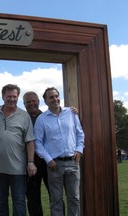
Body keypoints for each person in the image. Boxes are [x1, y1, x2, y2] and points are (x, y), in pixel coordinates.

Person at [34, 87, 85, 216]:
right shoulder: (41, 119)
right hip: (54, 165)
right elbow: (37, 143)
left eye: (56, 96)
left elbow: (80, 134)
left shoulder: (71, 113)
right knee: (56, 200)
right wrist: (48, 159)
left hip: (73, 162)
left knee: (74, 198)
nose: (55, 99)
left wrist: (79, 150)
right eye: (51, 97)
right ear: (45, 101)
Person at [0, 84, 37, 216]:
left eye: (14, 96)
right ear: (3, 97)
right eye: (9, 96)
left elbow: (30, 141)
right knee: (0, 202)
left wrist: (30, 162)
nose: (12, 99)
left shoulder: (24, 116)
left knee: (19, 202)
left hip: (18, 170)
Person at [23, 91, 50, 216]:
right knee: (33, 199)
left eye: (33, 100)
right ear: (24, 104)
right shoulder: (22, 119)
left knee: (55, 196)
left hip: (49, 162)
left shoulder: (47, 117)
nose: (31, 103)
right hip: (30, 164)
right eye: (28, 101)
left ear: (39, 101)